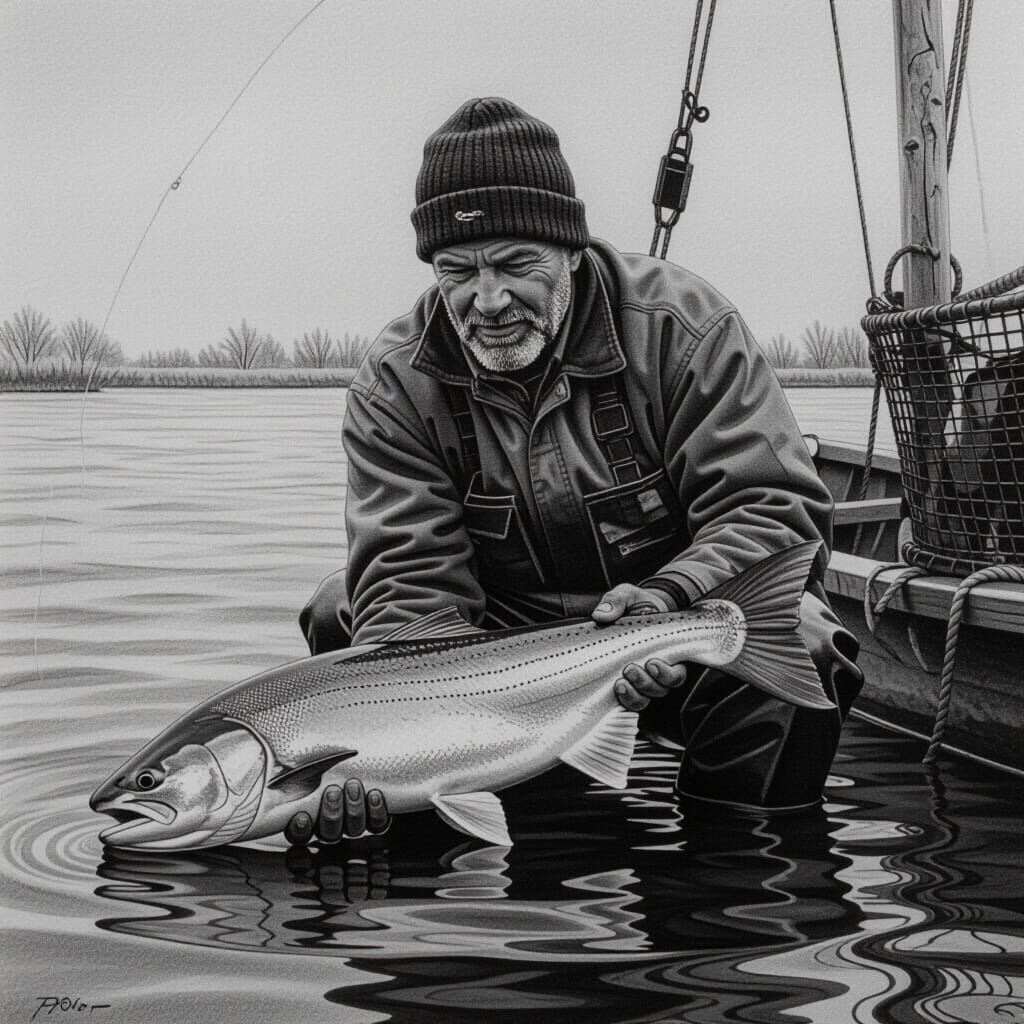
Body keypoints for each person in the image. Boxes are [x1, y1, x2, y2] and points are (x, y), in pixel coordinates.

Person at [286, 97, 862, 847]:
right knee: (341, 610)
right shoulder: (396, 383)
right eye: (457, 272)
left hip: (670, 634)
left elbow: (772, 511)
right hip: (498, 662)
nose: (486, 301)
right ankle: (447, 826)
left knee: (806, 634)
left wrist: (670, 598)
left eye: (515, 265)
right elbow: (408, 583)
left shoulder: (684, 330)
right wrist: (384, 753)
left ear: (570, 249)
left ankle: (736, 863)